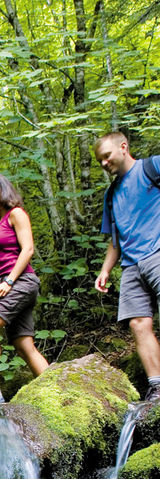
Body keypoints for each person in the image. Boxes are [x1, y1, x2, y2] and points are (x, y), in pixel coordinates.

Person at [94, 131, 160, 403]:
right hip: (131, 266)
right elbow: (115, 240)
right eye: (99, 160)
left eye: (106, 156)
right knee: (138, 323)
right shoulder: (110, 195)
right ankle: (157, 387)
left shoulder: (152, 168)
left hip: (158, 254)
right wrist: (105, 270)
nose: (104, 163)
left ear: (123, 147)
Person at [0, 174, 49, 406]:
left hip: (20, 281)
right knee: (23, 345)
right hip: (15, 282)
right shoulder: (0, 222)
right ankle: (57, 389)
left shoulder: (16, 214)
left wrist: (8, 281)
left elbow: (28, 249)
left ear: (3, 190)